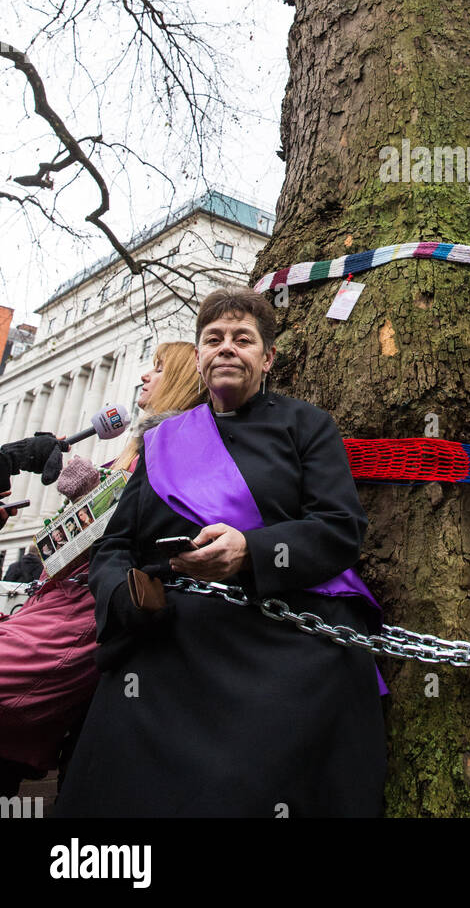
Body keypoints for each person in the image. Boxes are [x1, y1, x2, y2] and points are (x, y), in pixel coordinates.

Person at [55, 287, 387, 818]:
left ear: (268, 357)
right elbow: (114, 548)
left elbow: (340, 528)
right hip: (166, 643)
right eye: (214, 339)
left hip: (279, 641)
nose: (227, 348)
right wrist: (128, 598)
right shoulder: (161, 441)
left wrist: (250, 551)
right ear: (201, 354)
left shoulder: (307, 426)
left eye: (243, 339)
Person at [0, 343, 204, 799]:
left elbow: (139, 522)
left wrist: (79, 476)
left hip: (81, 617)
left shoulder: (178, 449)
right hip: (53, 605)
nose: (144, 377)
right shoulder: (133, 448)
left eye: (158, 369)